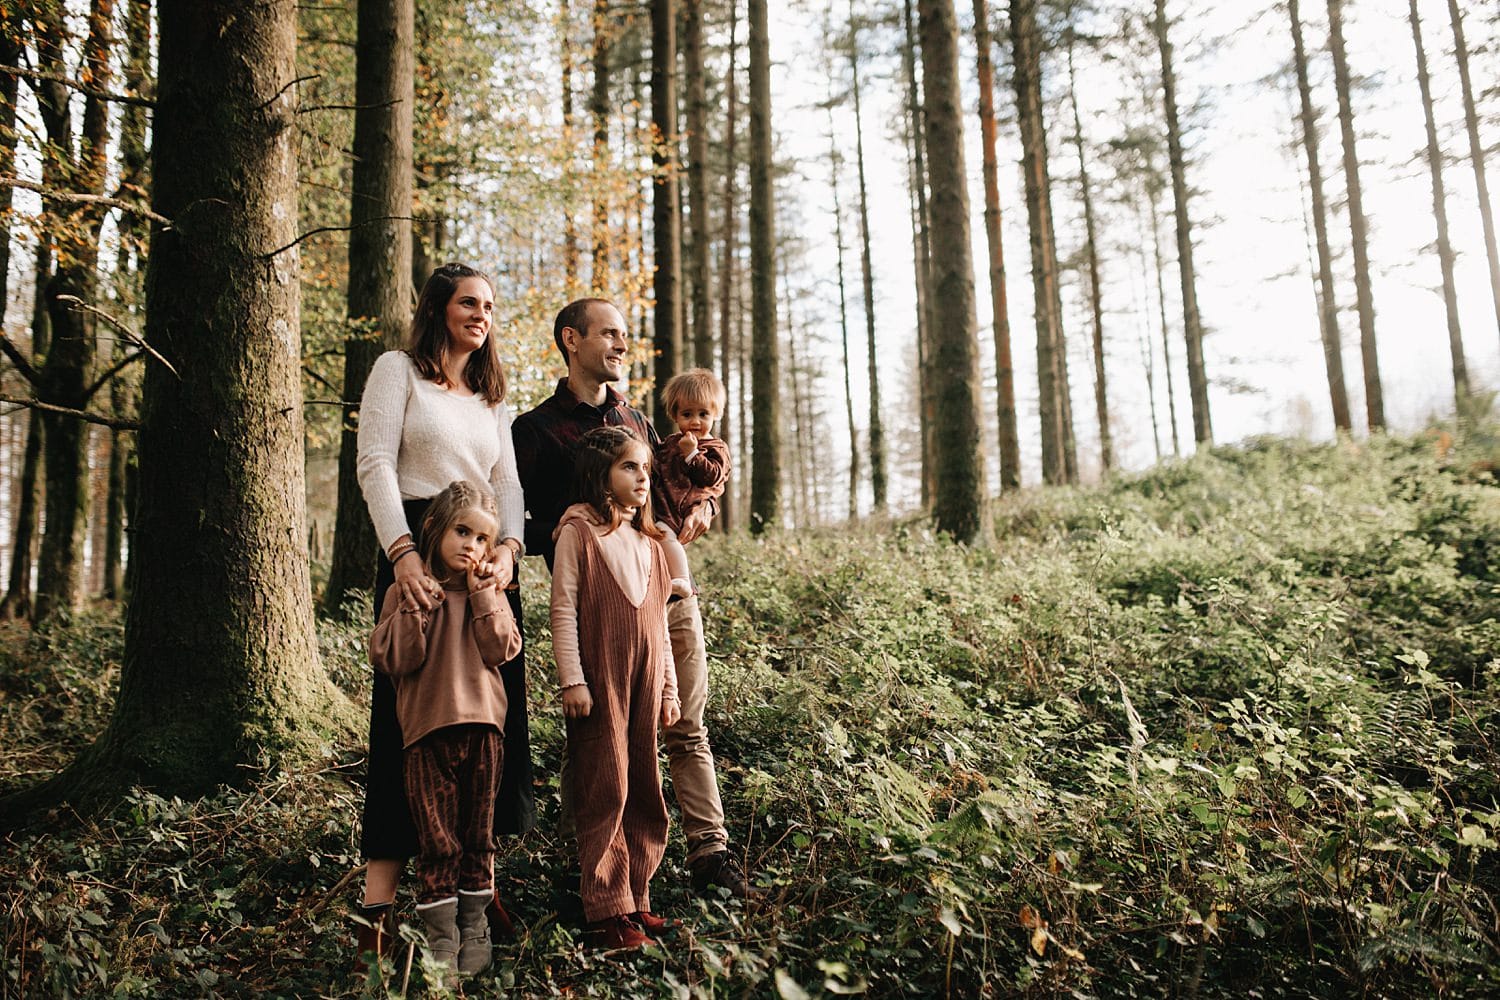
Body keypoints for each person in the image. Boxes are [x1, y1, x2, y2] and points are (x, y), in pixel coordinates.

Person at [512, 297, 755, 898]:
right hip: (601, 607)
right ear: (572, 340)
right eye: (610, 335)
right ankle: (587, 862)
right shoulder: (536, 431)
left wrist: (704, 507)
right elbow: (516, 521)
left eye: (625, 335)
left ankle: (709, 852)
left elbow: (674, 495)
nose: (622, 345)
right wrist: (582, 524)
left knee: (687, 724)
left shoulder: (642, 422)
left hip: (666, 593)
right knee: (599, 735)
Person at [352, 263, 533, 968]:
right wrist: (402, 555)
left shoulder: (491, 396)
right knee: (409, 735)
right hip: (420, 553)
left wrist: (511, 552)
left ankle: (474, 893)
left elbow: (507, 481)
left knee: (493, 727)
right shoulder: (398, 370)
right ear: (438, 308)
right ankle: (375, 911)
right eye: (468, 302)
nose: (481, 314)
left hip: (485, 563)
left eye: (489, 304)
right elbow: (374, 463)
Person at [369, 480, 521, 980]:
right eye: (462, 531)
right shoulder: (405, 592)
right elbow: (396, 658)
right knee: (437, 842)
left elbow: (501, 649)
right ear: (434, 529)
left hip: (484, 734)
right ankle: (441, 939)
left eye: (482, 539)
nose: (471, 547)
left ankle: (474, 927)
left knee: (478, 837)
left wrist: (484, 598)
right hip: (425, 739)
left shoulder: (488, 592)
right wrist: (417, 605)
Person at [551, 427, 682, 948]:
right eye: (630, 468)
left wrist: (670, 689)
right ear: (599, 476)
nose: (643, 478)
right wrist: (573, 680)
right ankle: (606, 908)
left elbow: (662, 629)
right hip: (599, 682)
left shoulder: (651, 546)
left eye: (646, 470)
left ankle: (637, 896)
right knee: (606, 785)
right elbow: (563, 611)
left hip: (648, 681)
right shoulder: (577, 535)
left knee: (645, 786)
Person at [653, 368, 730, 598]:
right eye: (687, 414)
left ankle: (682, 580)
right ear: (674, 415)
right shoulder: (670, 442)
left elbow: (714, 476)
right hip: (662, 503)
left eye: (703, 414)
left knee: (665, 534)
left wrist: (693, 454)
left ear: (715, 413)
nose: (695, 422)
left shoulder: (716, 448)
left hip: (682, 510)